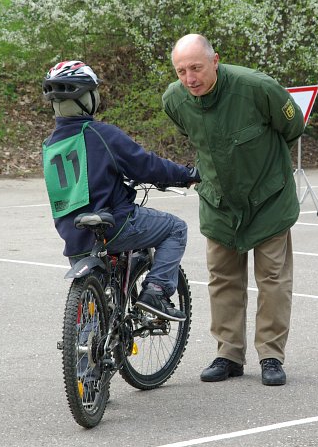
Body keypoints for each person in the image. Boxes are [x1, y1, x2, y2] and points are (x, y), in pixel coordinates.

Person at [162, 34, 305, 386]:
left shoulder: (256, 88)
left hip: (269, 199)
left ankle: (271, 355)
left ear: (215, 61)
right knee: (222, 279)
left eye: (196, 68)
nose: (189, 78)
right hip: (219, 202)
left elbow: (293, 127)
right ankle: (228, 354)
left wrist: (263, 166)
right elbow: (195, 138)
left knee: (272, 280)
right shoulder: (175, 100)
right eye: (181, 71)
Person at [42, 60, 200, 321]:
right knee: (176, 228)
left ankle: (84, 345)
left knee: (95, 312)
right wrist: (186, 175)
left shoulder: (50, 146)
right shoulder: (100, 134)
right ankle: (156, 292)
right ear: (86, 99)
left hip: (74, 236)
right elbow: (146, 165)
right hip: (114, 226)